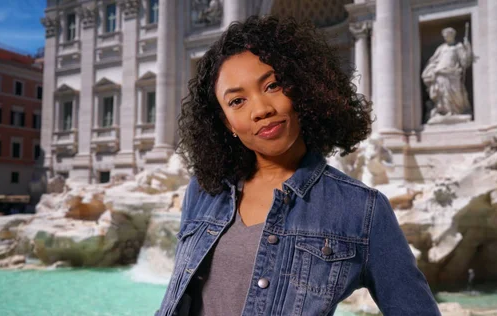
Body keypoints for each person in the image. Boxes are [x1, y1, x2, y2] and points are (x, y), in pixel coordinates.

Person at [156, 16, 440, 316]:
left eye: (273, 85)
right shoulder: (203, 190)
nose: (261, 109)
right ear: (227, 123)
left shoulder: (363, 211)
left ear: (302, 88)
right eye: (237, 101)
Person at [421, 26, 473, 122]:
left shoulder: (458, 46)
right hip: (440, 73)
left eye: (447, 35)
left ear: (452, 35)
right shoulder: (441, 48)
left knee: (455, 93)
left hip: (453, 73)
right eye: (444, 36)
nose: (445, 37)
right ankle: (445, 112)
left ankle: (456, 112)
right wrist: (431, 70)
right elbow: (434, 61)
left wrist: (468, 47)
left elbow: (465, 62)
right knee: (442, 93)